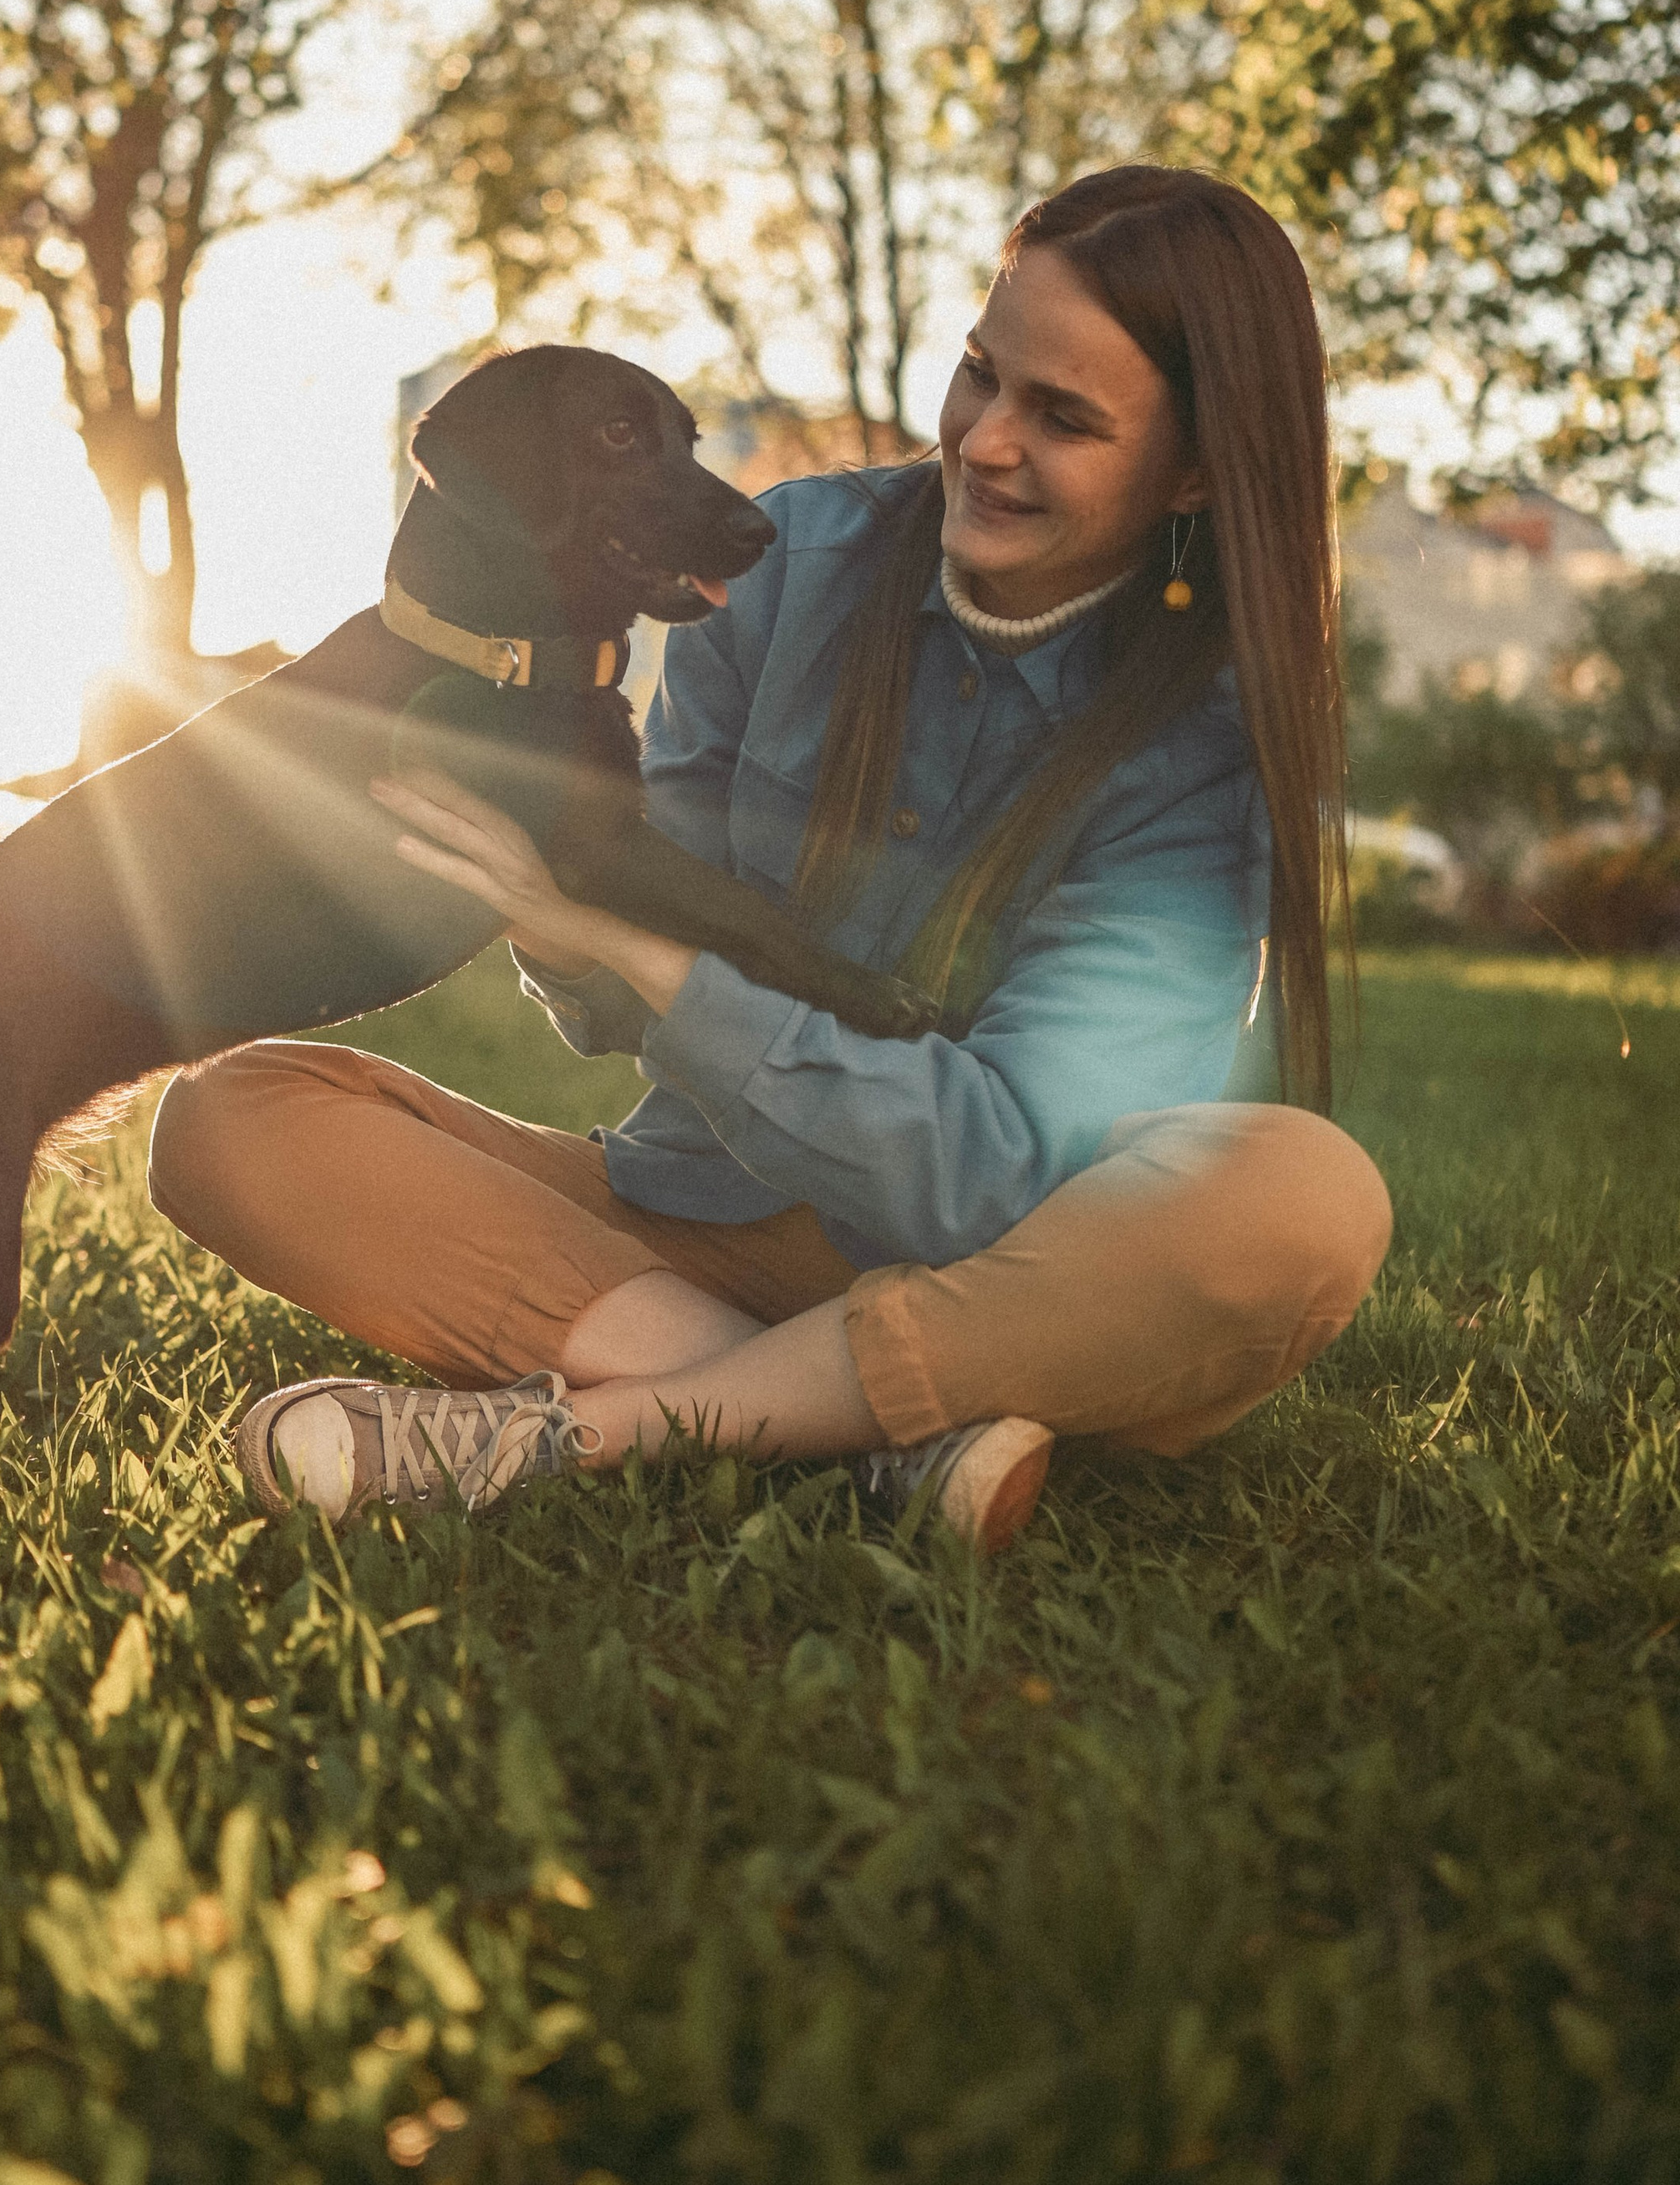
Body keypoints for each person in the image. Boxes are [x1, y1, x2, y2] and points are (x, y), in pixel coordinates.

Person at [148, 166, 1393, 1550]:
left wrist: (643, 958)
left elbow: (1006, 1182)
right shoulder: (790, 557)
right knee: (234, 1118)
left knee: (1304, 1205)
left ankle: (589, 1430)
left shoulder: (1210, 742)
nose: (983, 441)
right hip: (686, 1219)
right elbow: (617, 942)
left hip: (1021, 1278)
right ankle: (869, 1435)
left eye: (1066, 418)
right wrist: (569, 936)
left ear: (1201, 469)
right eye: (982, 373)